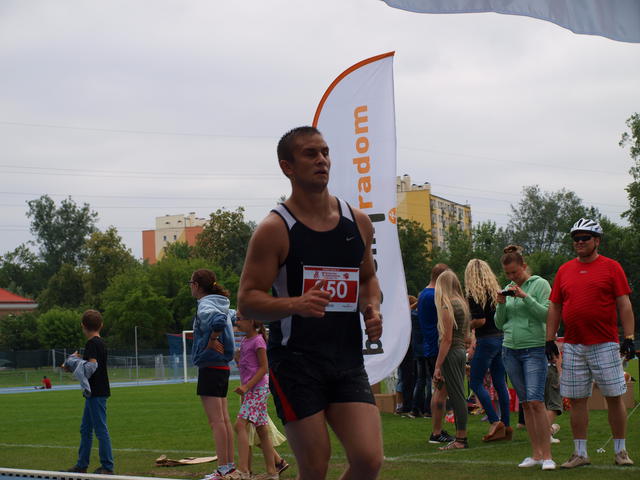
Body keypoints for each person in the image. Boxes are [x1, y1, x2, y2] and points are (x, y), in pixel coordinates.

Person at [237, 126, 383, 480]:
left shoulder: (358, 222)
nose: (322, 160)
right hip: (296, 362)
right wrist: (296, 304)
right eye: (310, 153)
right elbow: (247, 301)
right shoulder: (274, 229)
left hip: (346, 358)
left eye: (325, 152)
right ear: (287, 167)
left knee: (368, 460)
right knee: (315, 466)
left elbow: (367, 279)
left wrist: (372, 308)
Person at [545, 218, 636, 468]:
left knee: (614, 396)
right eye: (576, 238)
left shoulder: (612, 267)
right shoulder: (564, 270)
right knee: (577, 400)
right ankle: (580, 453)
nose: (580, 242)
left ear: (597, 241)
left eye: (585, 237)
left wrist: (629, 337)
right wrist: (549, 338)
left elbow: (624, 303)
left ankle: (621, 451)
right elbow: (555, 306)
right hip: (573, 345)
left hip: (605, 344)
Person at [495, 245, 555, 470]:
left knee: (537, 402)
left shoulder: (540, 284)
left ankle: (547, 456)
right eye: (507, 273)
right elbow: (500, 323)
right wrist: (501, 304)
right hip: (510, 350)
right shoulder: (507, 288)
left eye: (515, 272)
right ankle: (536, 454)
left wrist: (525, 297)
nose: (511, 277)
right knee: (527, 404)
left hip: (534, 349)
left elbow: (547, 315)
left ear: (524, 266)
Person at [190, 269, 237, 480]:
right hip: (222, 367)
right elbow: (233, 316)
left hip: (210, 366)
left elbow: (218, 321)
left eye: (191, 283)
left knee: (216, 422)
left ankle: (222, 469)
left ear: (197, 285)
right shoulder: (222, 303)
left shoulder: (206, 305)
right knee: (224, 420)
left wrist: (212, 339)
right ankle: (229, 467)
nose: (190, 287)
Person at [464, 259, 511, 442]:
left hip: (486, 340)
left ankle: (494, 420)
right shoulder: (495, 291)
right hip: (501, 338)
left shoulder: (473, 293)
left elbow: (480, 320)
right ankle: (506, 425)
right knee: (500, 383)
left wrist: (466, 326)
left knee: (475, 382)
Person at [66, 310, 114, 475]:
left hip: (97, 392)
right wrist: (76, 362)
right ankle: (82, 464)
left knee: (100, 429)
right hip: (94, 392)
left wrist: (73, 362)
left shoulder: (92, 343)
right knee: (85, 429)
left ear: (83, 326)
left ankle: (107, 466)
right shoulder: (100, 343)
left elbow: (91, 366)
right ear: (101, 325)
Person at [233, 311, 277, 480]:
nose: (237, 322)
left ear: (251, 321)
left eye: (239, 319)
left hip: (257, 389)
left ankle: (243, 470)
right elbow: (248, 368)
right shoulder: (245, 341)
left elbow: (264, 368)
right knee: (262, 430)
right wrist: (238, 360)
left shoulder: (258, 341)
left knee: (240, 425)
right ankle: (272, 473)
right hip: (252, 390)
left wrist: (246, 387)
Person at [432, 270, 471, 450]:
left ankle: (460, 439)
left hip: (452, 353)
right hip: (460, 351)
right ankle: (460, 437)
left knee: (457, 396)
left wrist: (437, 365)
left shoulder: (448, 306)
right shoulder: (462, 303)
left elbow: (446, 339)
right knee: (457, 394)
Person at [418, 263, 454, 444]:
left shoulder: (423, 294)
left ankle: (437, 430)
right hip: (437, 347)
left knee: (438, 390)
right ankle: (437, 432)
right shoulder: (435, 295)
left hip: (428, 345)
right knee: (441, 391)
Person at [409, 295, 429, 418]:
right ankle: (428, 409)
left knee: (420, 380)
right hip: (428, 349)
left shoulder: (414, 315)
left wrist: (417, 302)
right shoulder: (427, 316)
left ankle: (416, 408)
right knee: (429, 380)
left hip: (417, 350)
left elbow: (407, 310)